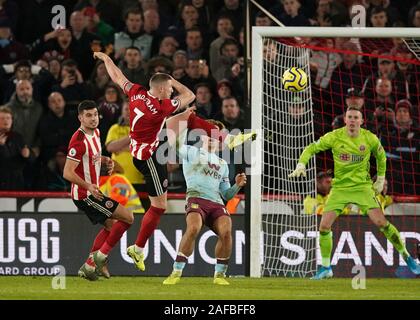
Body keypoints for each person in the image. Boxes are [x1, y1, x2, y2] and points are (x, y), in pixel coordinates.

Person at [93, 51, 255, 272]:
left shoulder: (137, 92)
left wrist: (106, 59)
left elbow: (118, 76)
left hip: (149, 145)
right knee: (159, 206)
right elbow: (189, 94)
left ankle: (229, 139)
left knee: (188, 116)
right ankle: (137, 249)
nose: (171, 92)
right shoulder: (162, 107)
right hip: (149, 155)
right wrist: (173, 80)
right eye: (168, 89)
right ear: (161, 89)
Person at [289, 106, 420, 279]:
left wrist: (380, 179)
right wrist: (301, 163)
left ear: (361, 121)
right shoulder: (334, 136)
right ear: (345, 120)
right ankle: (326, 268)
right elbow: (312, 148)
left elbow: (381, 157)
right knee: (324, 226)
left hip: (362, 188)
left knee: (381, 223)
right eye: (349, 117)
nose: (352, 120)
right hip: (340, 189)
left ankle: (407, 257)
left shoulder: (369, 138)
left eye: (355, 117)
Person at [163, 120, 247, 285]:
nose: (211, 138)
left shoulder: (223, 165)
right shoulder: (191, 151)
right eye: (208, 134)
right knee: (193, 228)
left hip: (216, 203)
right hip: (196, 198)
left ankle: (220, 275)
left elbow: (226, 195)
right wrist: (185, 121)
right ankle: (176, 271)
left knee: (226, 232)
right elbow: (175, 143)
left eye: (215, 136)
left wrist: (237, 186)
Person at [63, 100, 134, 281]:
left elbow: (92, 157)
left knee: (110, 226)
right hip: (85, 195)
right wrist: (88, 186)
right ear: (80, 117)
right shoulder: (78, 141)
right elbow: (67, 172)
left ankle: (92, 265)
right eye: (88, 115)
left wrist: (105, 161)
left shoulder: (96, 133)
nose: (93, 118)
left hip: (92, 192)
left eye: (95, 114)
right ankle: (95, 261)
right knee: (128, 217)